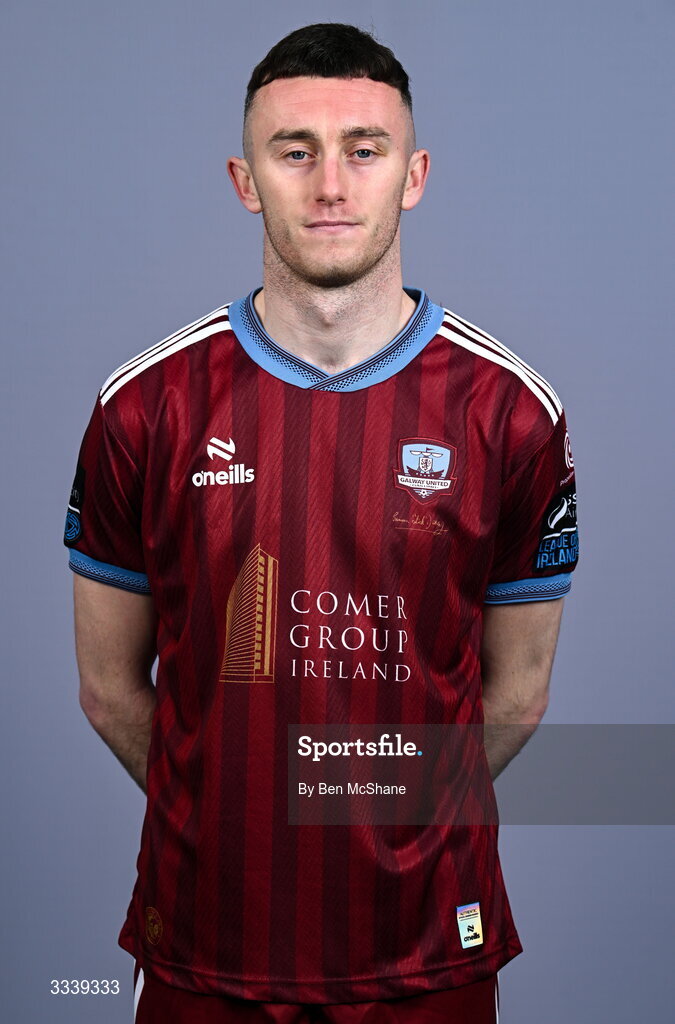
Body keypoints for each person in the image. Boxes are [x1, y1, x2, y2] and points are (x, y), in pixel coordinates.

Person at [64, 22, 579, 1024]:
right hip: (204, 946)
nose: (331, 186)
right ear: (244, 178)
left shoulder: (513, 411)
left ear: (414, 175)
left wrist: (382, 822)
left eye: (364, 150)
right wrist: (228, 807)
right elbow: (106, 687)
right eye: (294, 151)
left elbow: (516, 693)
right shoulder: (144, 406)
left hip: (431, 946)